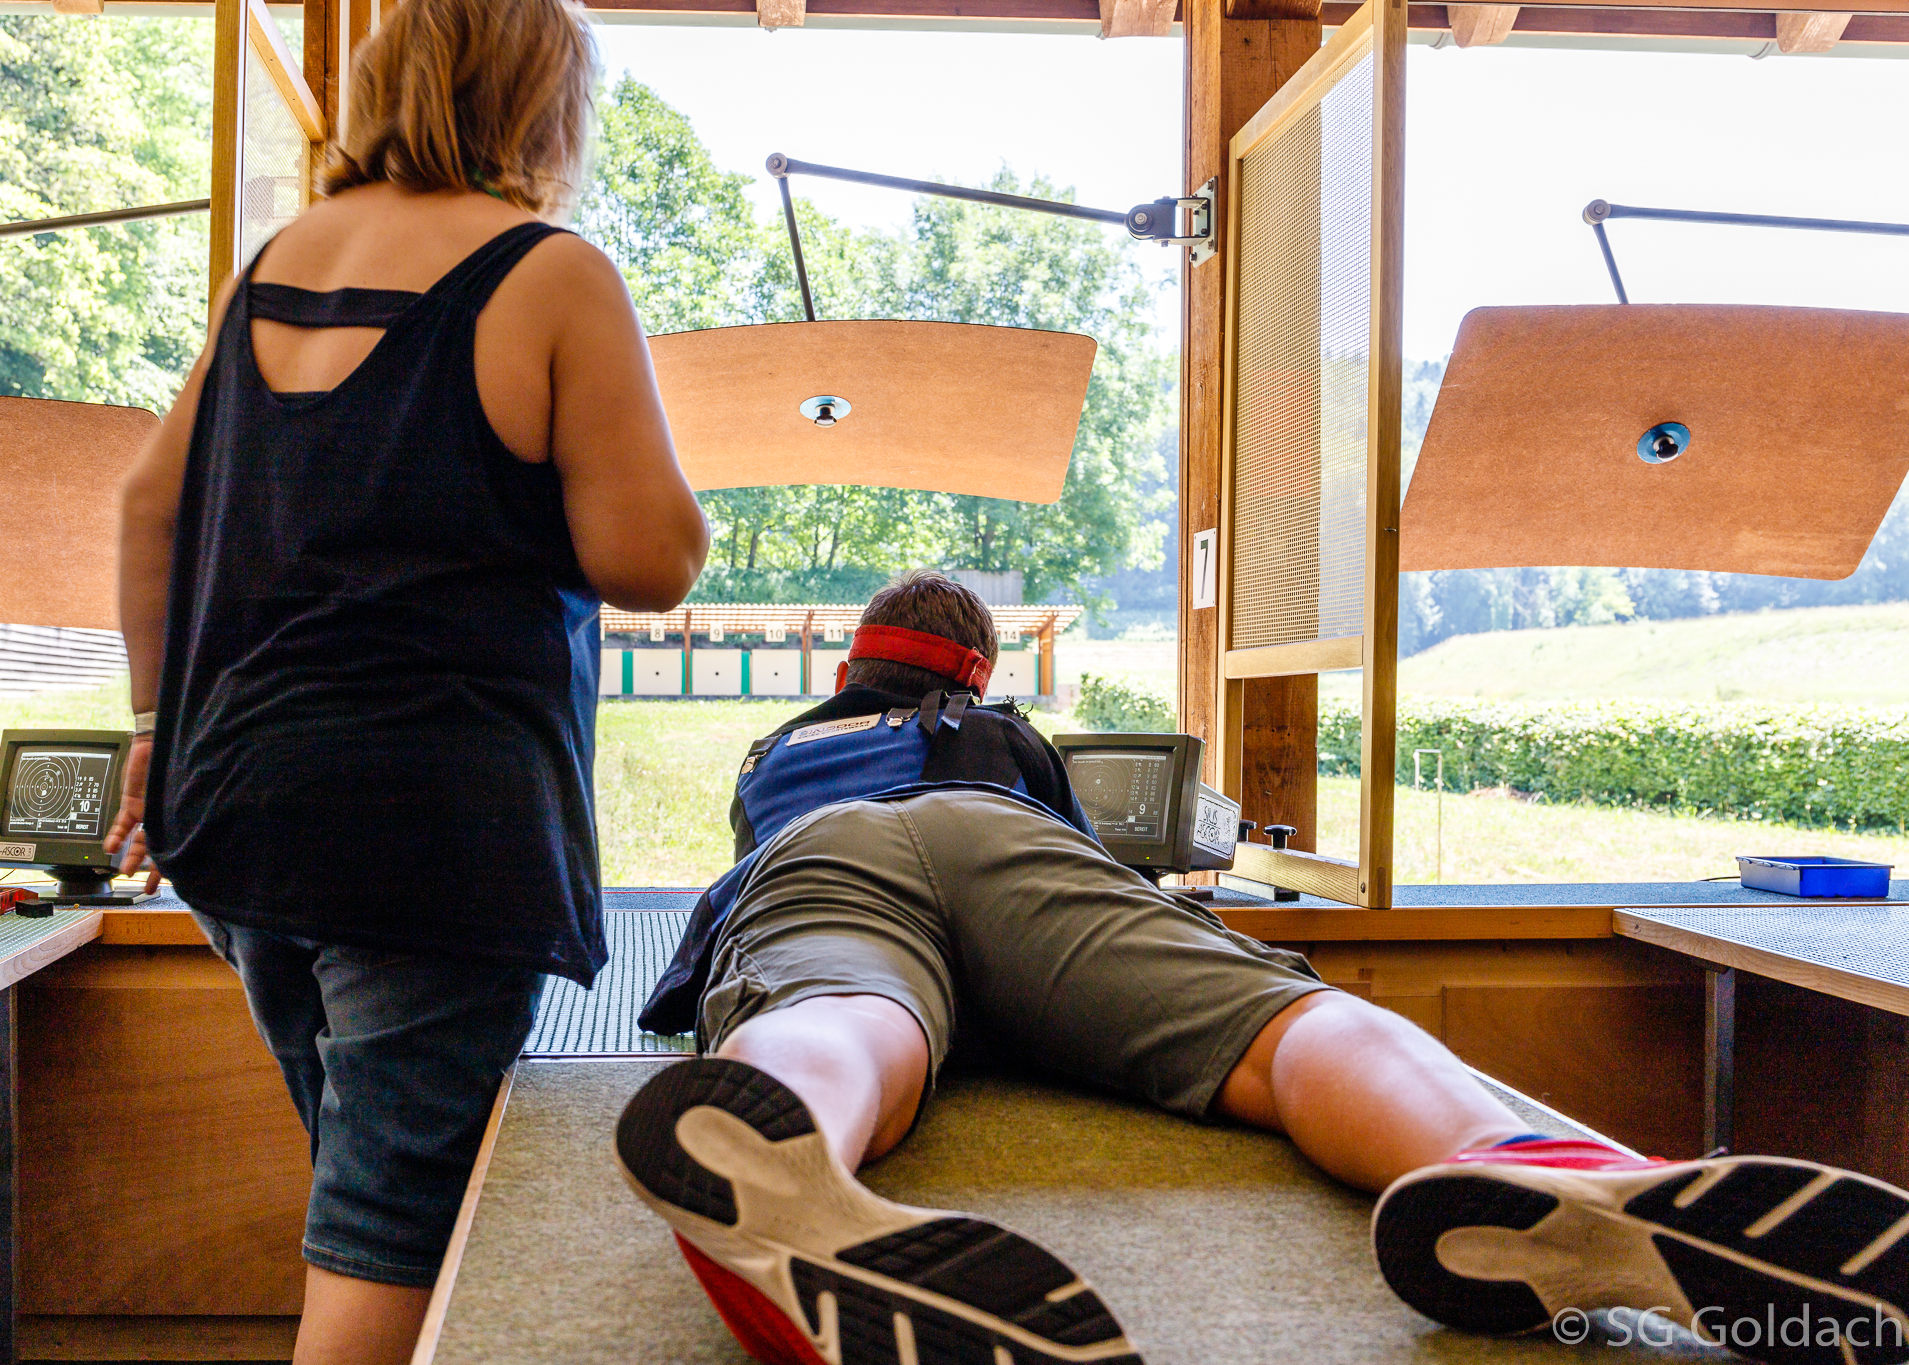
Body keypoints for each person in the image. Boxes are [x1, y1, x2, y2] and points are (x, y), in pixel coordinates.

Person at [615, 570, 1909, 1365]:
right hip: (1005, 838)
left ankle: (785, 1146)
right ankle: (1534, 1166)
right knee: (1289, 1026)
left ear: (851, 666)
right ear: (983, 674)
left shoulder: (778, 753)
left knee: (845, 1006)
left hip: (826, 854)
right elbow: (1078, 864)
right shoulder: (1004, 737)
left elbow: (758, 875)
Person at [104, 0, 708, 1359]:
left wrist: (152, 725)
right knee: (393, 1230)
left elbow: (149, 504)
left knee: (364, 1185)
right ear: (543, 105)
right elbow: (649, 558)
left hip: (239, 807)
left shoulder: (278, 262)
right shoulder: (550, 275)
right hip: (429, 827)